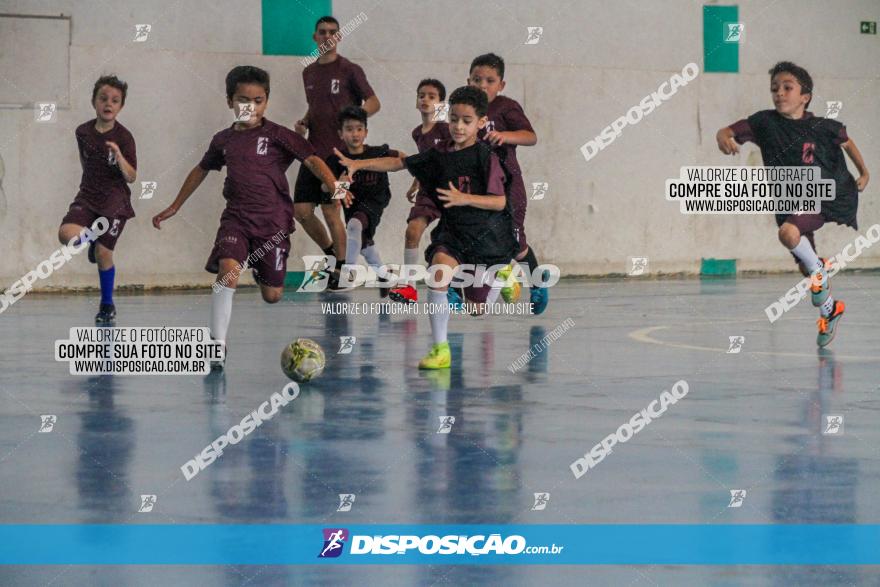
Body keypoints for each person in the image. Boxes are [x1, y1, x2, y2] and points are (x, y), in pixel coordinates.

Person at [717, 61, 869, 347]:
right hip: (787, 200)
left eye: (788, 88)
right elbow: (728, 130)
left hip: (820, 196)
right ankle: (831, 310)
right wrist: (721, 135)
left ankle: (820, 273)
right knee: (804, 264)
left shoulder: (820, 127)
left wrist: (865, 172)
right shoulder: (764, 122)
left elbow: (846, 141)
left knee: (788, 234)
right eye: (774, 89)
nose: (779, 94)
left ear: (805, 96)